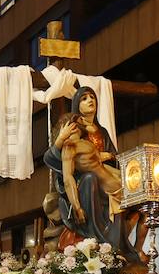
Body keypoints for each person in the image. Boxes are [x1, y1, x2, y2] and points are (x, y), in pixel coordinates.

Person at [42, 87, 142, 263]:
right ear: (76, 106)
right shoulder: (70, 134)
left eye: (92, 97)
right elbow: (56, 164)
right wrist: (61, 139)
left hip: (107, 177)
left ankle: (132, 248)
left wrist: (110, 159)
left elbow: (110, 156)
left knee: (142, 200)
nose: (90, 101)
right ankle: (100, 238)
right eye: (84, 98)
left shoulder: (101, 131)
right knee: (91, 179)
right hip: (85, 182)